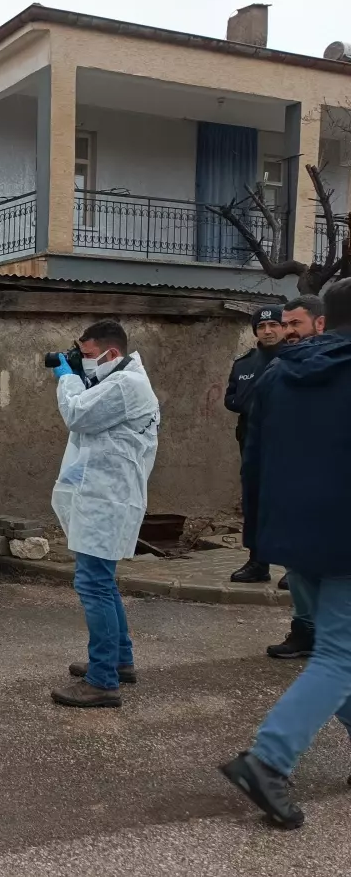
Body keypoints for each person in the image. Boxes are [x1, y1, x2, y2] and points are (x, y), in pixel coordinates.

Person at [220, 279, 351, 829]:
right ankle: (268, 760)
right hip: (344, 537)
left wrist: (262, 534)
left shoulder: (279, 372)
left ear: (326, 318)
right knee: (340, 655)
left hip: (295, 535)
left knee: (338, 652)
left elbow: (255, 456)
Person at [49, 319, 161, 708]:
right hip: (106, 496)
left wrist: (67, 377)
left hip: (108, 499)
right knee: (103, 583)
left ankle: (102, 680)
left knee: (93, 584)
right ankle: (119, 661)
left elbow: (77, 414)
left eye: (88, 354)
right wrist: (79, 375)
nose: (82, 360)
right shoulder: (121, 380)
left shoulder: (125, 385)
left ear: (111, 353)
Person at [261, 295, 326, 660]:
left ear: (320, 323)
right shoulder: (281, 366)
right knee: (296, 564)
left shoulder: (337, 365)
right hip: (290, 479)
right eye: (285, 324)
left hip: (329, 482)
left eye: (294, 324)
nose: (287, 331)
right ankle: (305, 630)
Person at [225, 305, 284, 584]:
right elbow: (231, 398)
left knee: (289, 502)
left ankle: (296, 567)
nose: (267, 331)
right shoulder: (244, 363)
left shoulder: (295, 358)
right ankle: (258, 562)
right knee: (253, 502)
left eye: (274, 325)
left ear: (284, 328)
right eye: (261, 326)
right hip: (252, 442)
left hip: (287, 443)